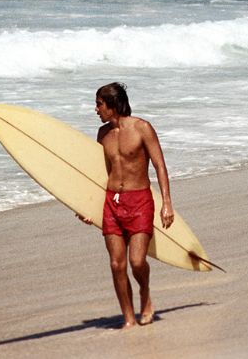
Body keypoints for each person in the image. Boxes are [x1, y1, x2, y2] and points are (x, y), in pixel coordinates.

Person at [84, 82, 175, 329]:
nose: (96, 109)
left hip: (139, 201)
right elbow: (99, 173)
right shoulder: (103, 135)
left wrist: (167, 203)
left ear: (112, 105)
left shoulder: (142, 128)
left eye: (99, 104)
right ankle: (128, 318)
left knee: (136, 261)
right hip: (112, 202)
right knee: (116, 264)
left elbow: (159, 165)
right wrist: (87, 207)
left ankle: (145, 293)